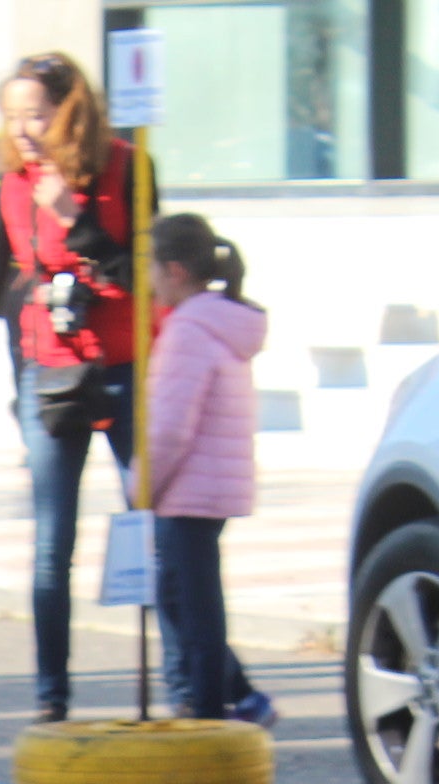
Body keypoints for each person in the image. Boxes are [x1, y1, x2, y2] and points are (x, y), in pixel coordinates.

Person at [0, 53, 142, 723]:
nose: (23, 130)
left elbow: (140, 274)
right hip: (51, 374)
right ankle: (53, 697)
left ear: (70, 112)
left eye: (38, 115)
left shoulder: (126, 168)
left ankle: (205, 678)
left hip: (125, 367)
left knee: (159, 528)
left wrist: (75, 219)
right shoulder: (12, 185)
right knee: (53, 544)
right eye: (13, 117)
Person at [144, 213, 278, 729]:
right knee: (180, 595)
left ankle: (207, 712)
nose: (149, 279)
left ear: (175, 270)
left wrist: (143, 487)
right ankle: (242, 694)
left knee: (193, 605)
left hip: (188, 486)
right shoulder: (220, 321)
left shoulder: (188, 330)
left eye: (152, 268)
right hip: (210, 481)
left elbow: (170, 427)